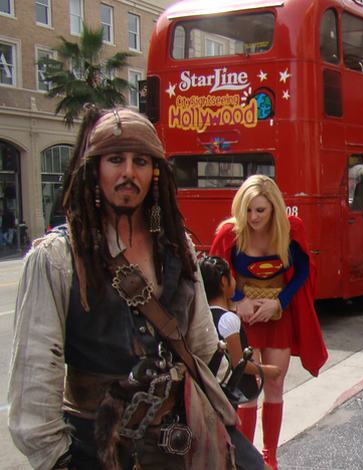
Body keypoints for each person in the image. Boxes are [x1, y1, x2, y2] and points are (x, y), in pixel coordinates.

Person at [8, 107, 262, 469]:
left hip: (179, 439)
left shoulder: (178, 249)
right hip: (98, 450)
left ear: (154, 173)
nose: (128, 172)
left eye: (140, 161)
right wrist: (59, 461)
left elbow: (203, 347)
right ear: (95, 170)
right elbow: (34, 387)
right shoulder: (58, 258)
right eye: (115, 159)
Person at [209, 174, 328, 469]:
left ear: (274, 207)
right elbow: (215, 271)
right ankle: (245, 460)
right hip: (244, 321)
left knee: (275, 384)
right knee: (247, 390)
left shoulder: (291, 230)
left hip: (277, 318)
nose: (253, 217)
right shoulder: (230, 232)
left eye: (260, 210)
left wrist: (279, 302)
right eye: (248, 210)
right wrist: (239, 299)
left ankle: (269, 457)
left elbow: (302, 272)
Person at [199, 255, 282, 444]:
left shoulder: (202, 317)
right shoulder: (229, 320)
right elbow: (239, 364)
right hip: (226, 391)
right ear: (223, 282)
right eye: (231, 276)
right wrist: (268, 371)